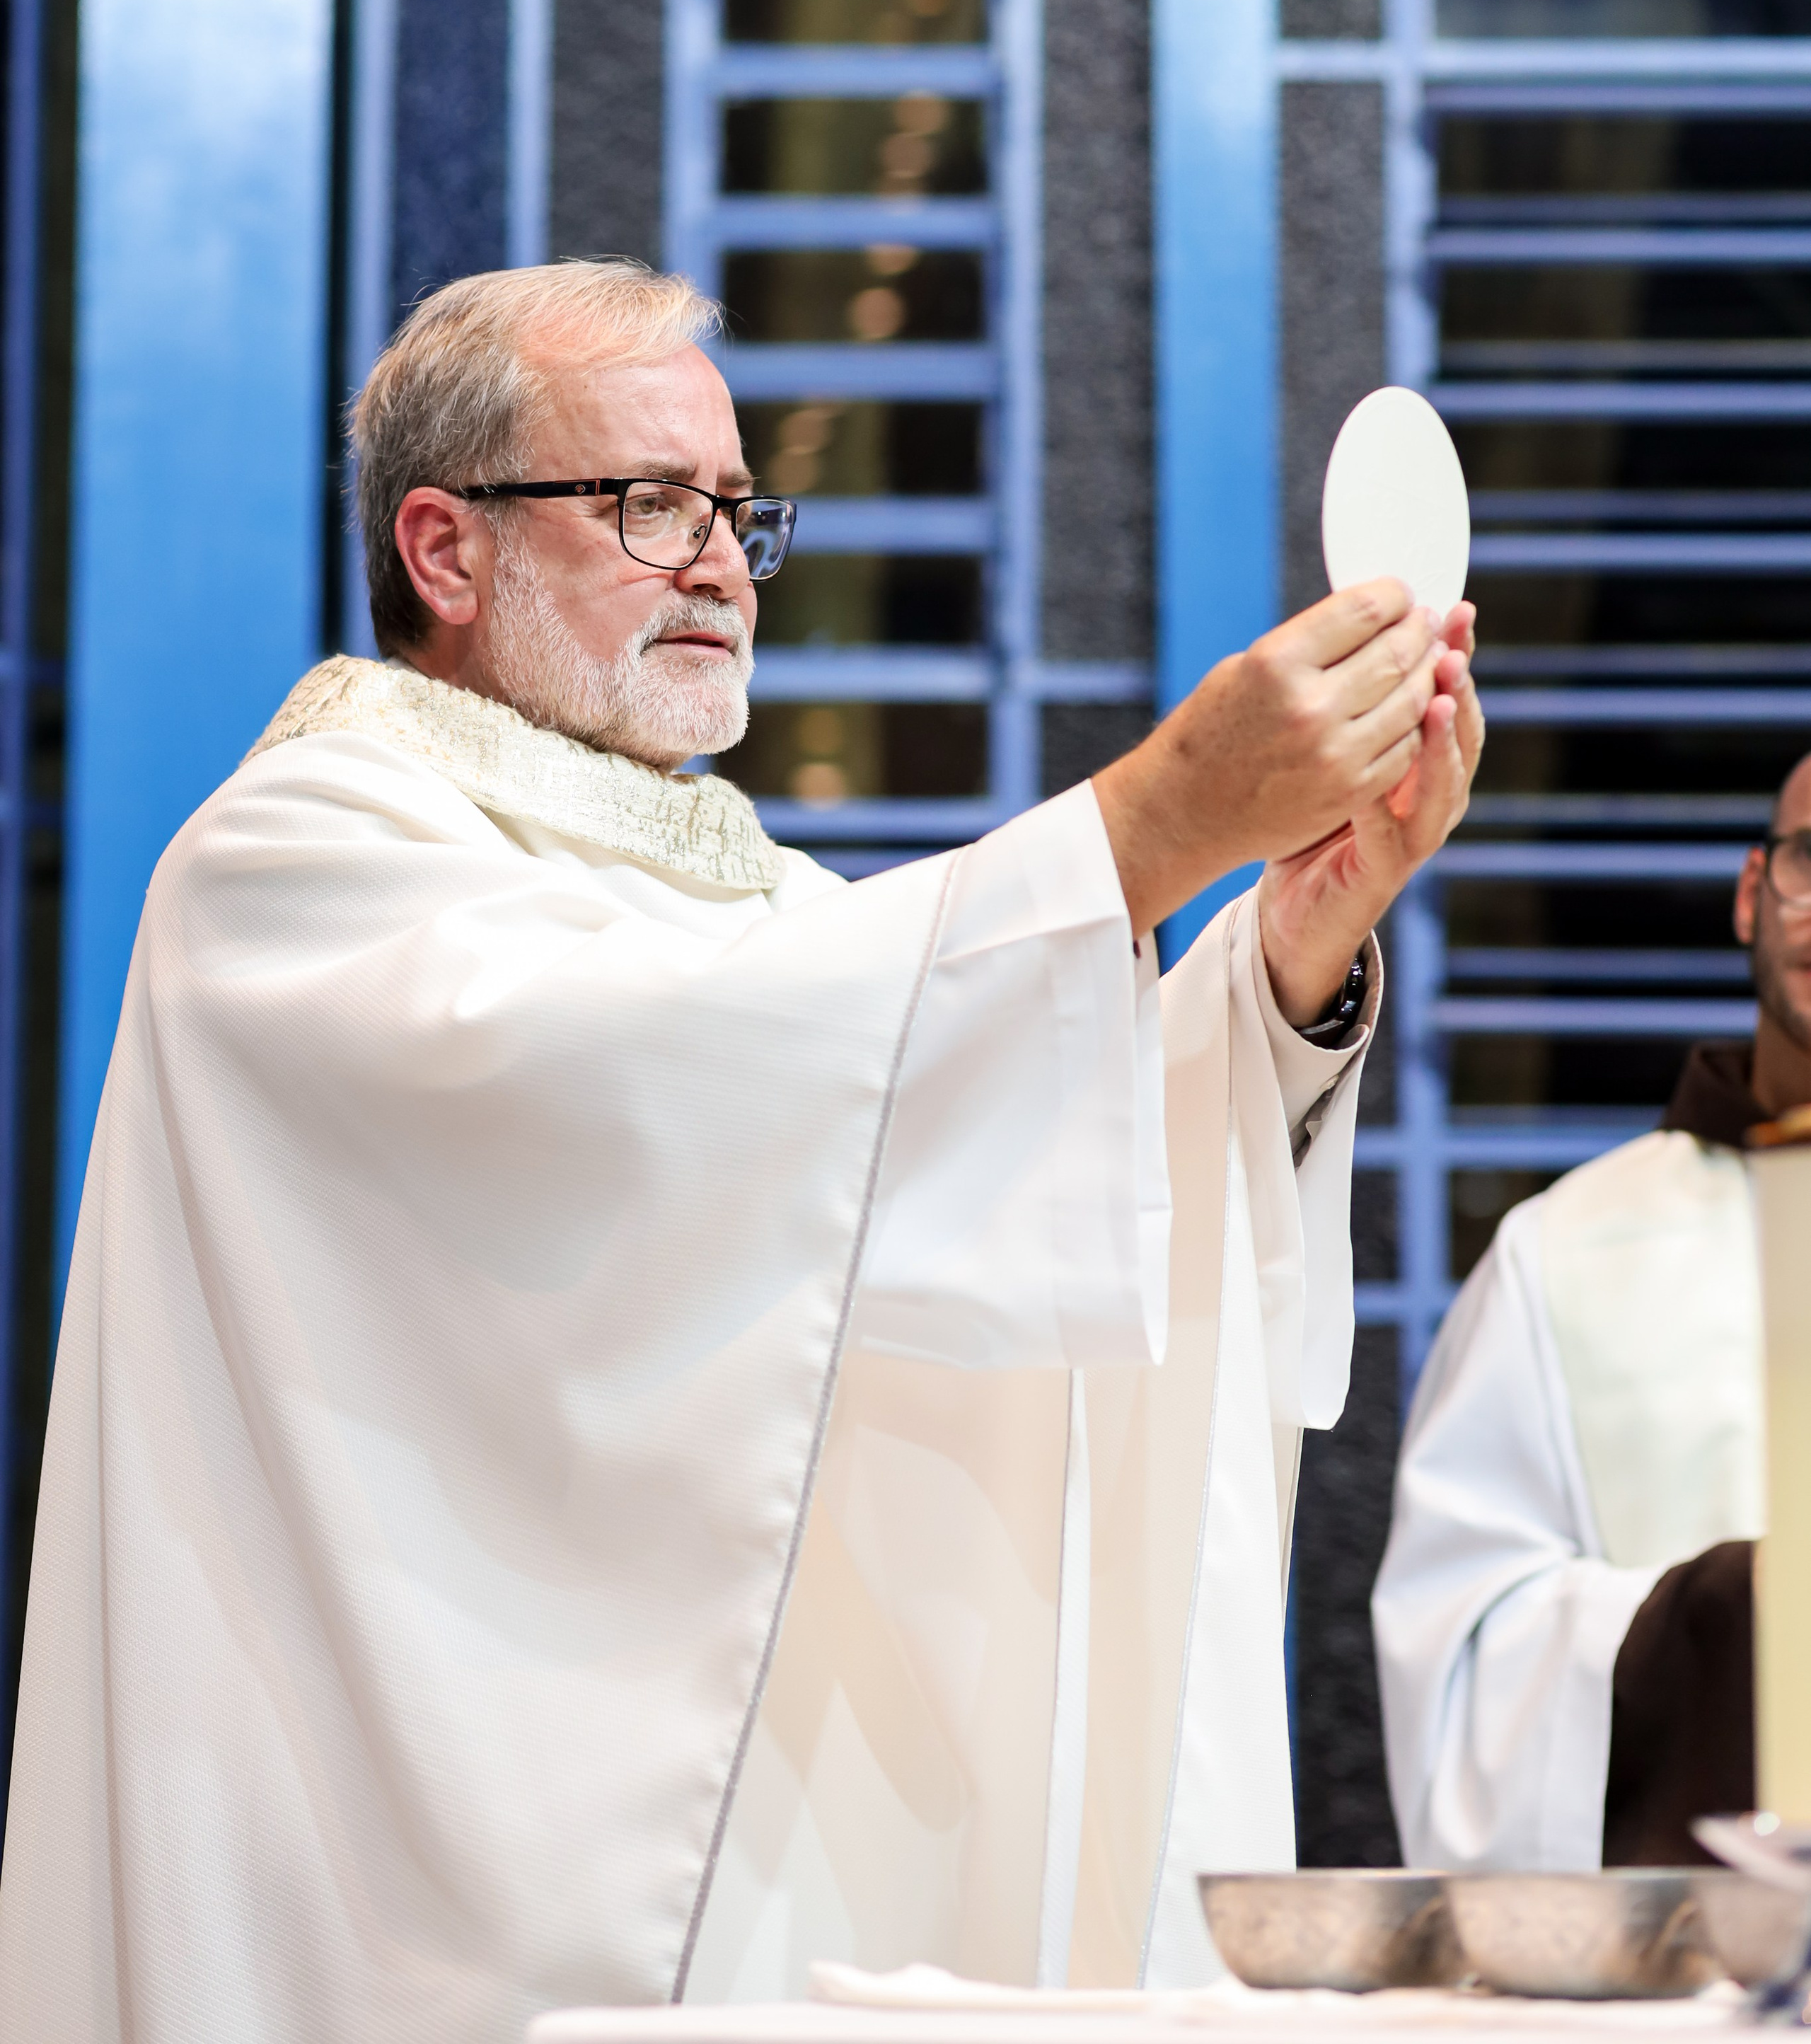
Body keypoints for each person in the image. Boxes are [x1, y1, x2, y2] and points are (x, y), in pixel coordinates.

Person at [0, 262, 1481, 2043]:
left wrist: (1286, 954)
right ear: (444, 551)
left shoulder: (754, 902)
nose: (716, 562)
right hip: (400, 1909)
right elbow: (635, 1097)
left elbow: (974, 1183)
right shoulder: (299, 864)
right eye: (647, 504)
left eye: (734, 509)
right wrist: (1149, 820)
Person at [1368, 757, 1811, 1871]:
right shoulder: (1562, 1252)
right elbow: (1458, 1654)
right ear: (1753, 892)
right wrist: (1727, 1618)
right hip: (1688, 1948)